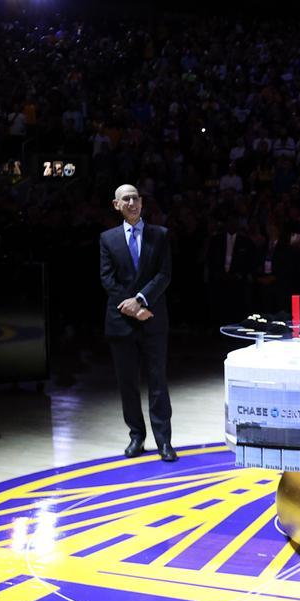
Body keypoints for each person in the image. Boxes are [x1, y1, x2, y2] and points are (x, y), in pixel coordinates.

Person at [99, 184, 176, 462]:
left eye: (135, 198)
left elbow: (164, 275)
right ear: (116, 205)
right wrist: (132, 308)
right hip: (122, 321)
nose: (132, 202)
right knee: (127, 383)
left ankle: (164, 441)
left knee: (158, 381)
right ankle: (136, 436)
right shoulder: (107, 239)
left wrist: (142, 301)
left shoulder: (160, 234)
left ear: (142, 202)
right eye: (126, 199)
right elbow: (108, 279)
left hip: (153, 317)